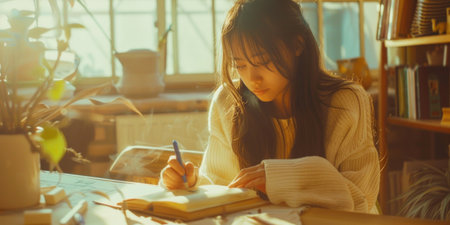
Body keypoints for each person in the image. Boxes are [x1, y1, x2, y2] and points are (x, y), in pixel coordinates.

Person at [161, 0, 380, 213]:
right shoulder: (229, 101)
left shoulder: (345, 101)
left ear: (297, 44)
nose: (252, 78)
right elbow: (222, 185)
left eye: (263, 61)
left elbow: (361, 199)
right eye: (240, 65)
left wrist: (283, 178)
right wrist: (190, 184)